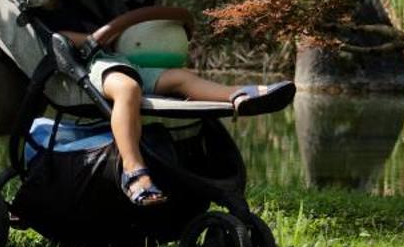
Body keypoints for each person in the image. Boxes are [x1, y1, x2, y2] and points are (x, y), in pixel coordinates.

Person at [62, 32, 295, 207]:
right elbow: (62, 38)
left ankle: (237, 94)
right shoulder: (59, 14)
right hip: (94, 64)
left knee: (180, 77)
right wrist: (111, 32)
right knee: (128, 88)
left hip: (131, 60)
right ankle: (132, 168)